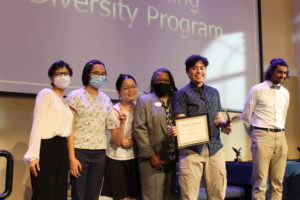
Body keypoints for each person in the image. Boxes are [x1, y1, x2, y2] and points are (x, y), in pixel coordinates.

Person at [174, 55, 231, 200]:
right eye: (194, 68)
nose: (199, 71)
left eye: (202, 68)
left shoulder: (214, 92)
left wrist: (225, 125)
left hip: (215, 148)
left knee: (217, 194)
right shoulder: (182, 93)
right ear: (188, 72)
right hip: (191, 150)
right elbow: (180, 120)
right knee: (188, 195)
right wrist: (178, 130)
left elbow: (219, 118)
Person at [24, 60, 73, 200]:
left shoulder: (65, 102)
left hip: (62, 148)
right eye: (59, 74)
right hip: (47, 148)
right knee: (45, 192)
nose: (63, 77)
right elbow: (38, 123)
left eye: (66, 74)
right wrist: (33, 156)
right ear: (52, 77)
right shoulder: (46, 94)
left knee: (59, 192)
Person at [241, 58, 290, 200]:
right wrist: (256, 136)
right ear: (271, 72)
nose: (282, 76)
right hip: (262, 135)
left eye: (285, 73)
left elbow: (283, 116)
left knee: (278, 183)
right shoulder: (257, 90)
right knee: (260, 183)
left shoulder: (285, 93)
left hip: (281, 136)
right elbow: (246, 117)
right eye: (279, 72)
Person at [66, 59, 114, 200]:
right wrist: (71, 157)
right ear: (87, 75)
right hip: (80, 151)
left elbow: (110, 125)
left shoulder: (106, 99)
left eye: (102, 74)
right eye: (95, 73)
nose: (99, 76)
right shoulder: (74, 96)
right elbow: (70, 129)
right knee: (79, 194)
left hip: (99, 152)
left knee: (93, 195)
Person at [133, 68, 178, 200]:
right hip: (152, 159)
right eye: (158, 80)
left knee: (170, 196)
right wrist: (151, 155)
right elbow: (139, 129)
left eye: (165, 80)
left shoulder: (176, 101)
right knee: (153, 196)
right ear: (152, 82)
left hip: (173, 159)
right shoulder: (144, 100)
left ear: (171, 82)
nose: (162, 82)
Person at [101, 74, 140, 200]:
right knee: (118, 196)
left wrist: (133, 141)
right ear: (119, 92)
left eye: (133, 86)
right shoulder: (113, 111)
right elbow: (117, 141)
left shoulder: (140, 108)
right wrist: (122, 122)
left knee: (133, 195)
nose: (131, 90)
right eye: (126, 88)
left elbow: (144, 133)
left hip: (135, 157)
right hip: (116, 159)